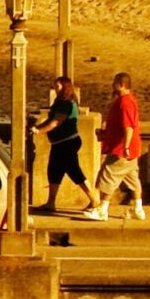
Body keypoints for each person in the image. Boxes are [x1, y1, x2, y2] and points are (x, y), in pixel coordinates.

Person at [93, 72, 147, 221]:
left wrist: (126, 146)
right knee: (133, 179)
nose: (112, 85)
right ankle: (138, 209)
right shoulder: (129, 100)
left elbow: (128, 126)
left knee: (108, 177)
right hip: (130, 148)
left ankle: (102, 210)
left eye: (115, 83)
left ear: (121, 85)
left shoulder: (125, 102)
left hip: (122, 149)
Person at [38, 77, 93, 215]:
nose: (55, 89)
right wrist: (38, 126)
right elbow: (50, 119)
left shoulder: (67, 103)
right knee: (54, 172)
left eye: (57, 86)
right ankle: (51, 202)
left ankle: (94, 199)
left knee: (75, 172)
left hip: (67, 142)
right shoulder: (59, 101)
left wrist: (38, 131)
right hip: (59, 143)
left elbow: (55, 122)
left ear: (65, 87)